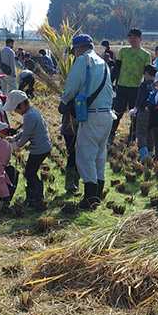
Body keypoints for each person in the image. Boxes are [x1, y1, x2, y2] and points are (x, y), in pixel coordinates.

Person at [60, 34, 112, 210]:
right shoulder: (103, 63)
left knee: (85, 155)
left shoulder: (83, 61)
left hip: (92, 115)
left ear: (78, 48)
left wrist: (64, 102)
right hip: (106, 115)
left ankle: (89, 198)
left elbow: (72, 86)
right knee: (99, 155)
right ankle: (97, 196)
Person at [4, 91, 52, 207]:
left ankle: (34, 198)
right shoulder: (32, 113)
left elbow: (26, 136)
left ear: (22, 105)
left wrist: (15, 146)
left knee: (29, 172)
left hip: (39, 149)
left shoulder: (30, 116)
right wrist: (14, 138)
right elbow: (25, 132)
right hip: (42, 147)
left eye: (16, 109)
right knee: (31, 171)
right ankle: (37, 196)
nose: (15, 112)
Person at [109, 28, 151, 144]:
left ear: (140, 39)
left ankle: (132, 137)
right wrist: (110, 82)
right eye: (130, 37)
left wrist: (148, 88)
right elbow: (116, 68)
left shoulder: (145, 55)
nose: (132, 40)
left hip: (136, 89)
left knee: (134, 115)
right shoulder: (123, 52)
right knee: (118, 111)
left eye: (134, 38)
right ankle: (111, 134)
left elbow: (148, 74)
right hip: (122, 86)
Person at [131, 64, 156, 160]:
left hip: (144, 112)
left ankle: (143, 155)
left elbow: (140, 98)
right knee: (151, 136)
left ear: (146, 73)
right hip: (156, 113)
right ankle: (149, 156)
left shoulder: (144, 84)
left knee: (141, 133)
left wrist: (135, 109)